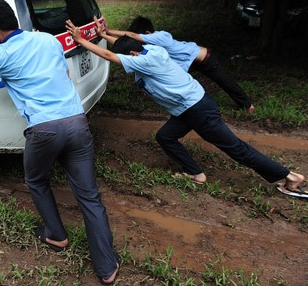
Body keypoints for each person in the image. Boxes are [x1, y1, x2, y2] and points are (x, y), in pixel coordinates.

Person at [0, 0, 119, 284]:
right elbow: (61, 73)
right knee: (89, 196)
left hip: (44, 130)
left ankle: (56, 235)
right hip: (77, 122)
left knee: (36, 180)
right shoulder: (46, 40)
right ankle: (107, 267)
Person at [65, 17, 307, 199]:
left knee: (236, 149)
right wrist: (104, 34)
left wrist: (81, 40)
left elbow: (110, 55)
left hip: (198, 109)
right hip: (188, 108)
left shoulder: (146, 61)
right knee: (166, 137)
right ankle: (196, 173)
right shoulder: (153, 50)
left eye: (128, 56)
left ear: (133, 55)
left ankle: (288, 176)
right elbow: (124, 44)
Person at [107, 16, 255, 113]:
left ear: (147, 32)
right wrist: (104, 35)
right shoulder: (150, 46)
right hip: (188, 63)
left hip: (204, 59)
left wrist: (108, 30)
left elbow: (132, 36)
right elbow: (128, 43)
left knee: (224, 81)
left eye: (142, 37)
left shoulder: (159, 37)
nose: (140, 41)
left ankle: (248, 106)